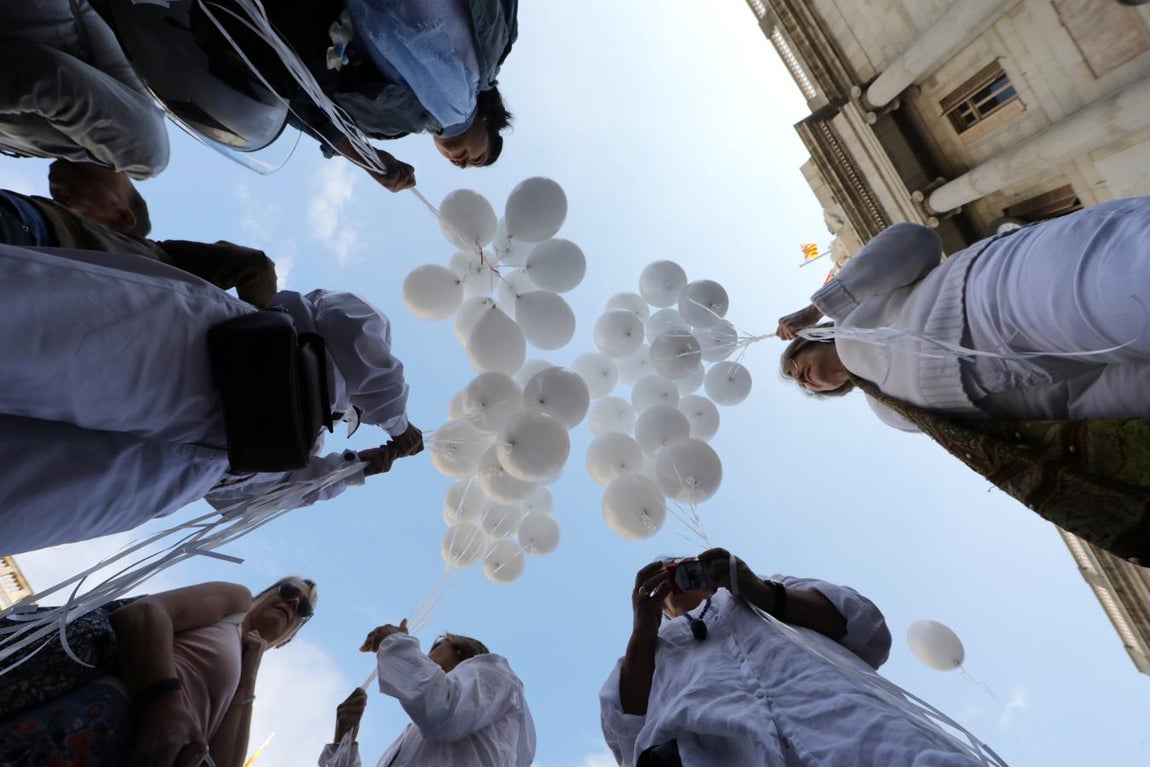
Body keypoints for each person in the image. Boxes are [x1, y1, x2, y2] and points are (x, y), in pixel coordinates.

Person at [0, 241, 422, 555]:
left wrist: (352, 470)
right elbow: (355, 335)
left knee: (22, 503)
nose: (352, 416)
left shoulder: (299, 444)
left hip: (183, 470)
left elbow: (258, 500)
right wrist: (399, 427)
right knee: (27, 337)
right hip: (207, 357)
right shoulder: (345, 335)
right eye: (357, 413)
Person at [777, 199, 1150, 427]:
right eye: (802, 386)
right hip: (1035, 374)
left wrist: (818, 308)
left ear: (809, 339)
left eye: (796, 368)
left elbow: (915, 239)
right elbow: (1052, 404)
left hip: (994, 293)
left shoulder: (851, 310)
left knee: (1132, 281)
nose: (804, 380)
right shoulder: (888, 413)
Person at [600, 550, 993, 766]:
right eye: (660, 578)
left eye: (682, 568)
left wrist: (763, 593)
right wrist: (642, 632)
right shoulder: (651, 646)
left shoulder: (771, 589)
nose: (673, 580)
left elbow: (867, 630)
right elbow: (627, 731)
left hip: (864, 735)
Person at [177, 0, 517, 191]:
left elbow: (306, 99)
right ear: (489, 120)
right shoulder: (467, 88)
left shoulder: (393, 123)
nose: (461, 162)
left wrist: (366, 157)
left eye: (463, 165)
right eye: (476, 156)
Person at [0, 576, 318, 767]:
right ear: (265, 594)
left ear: (288, 640)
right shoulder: (235, 602)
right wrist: (165, 703)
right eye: (288, 591)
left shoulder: (244, 673)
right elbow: (144, 613)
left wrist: (250, 673)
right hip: (95, 721)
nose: (292, 603)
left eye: (303, 609)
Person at [1, 161, 278, 305]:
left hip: (27, 237)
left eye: (113, 168)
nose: (110, 162)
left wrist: (263, 322)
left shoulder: (162, 256)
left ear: (123, 216)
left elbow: (255, 266)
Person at [318, 620, 536, 767]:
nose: (425, 657)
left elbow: (441, 708)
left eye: (434, 649)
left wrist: (394, 643)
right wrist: (342, 742)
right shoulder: (412, 735)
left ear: (460, 648)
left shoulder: (494, 674)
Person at [0, 0, 169, 178]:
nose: (64, 206)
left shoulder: (46, 151)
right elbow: (51, 79)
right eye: (68, 207)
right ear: (120, 206)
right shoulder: (143, 157)